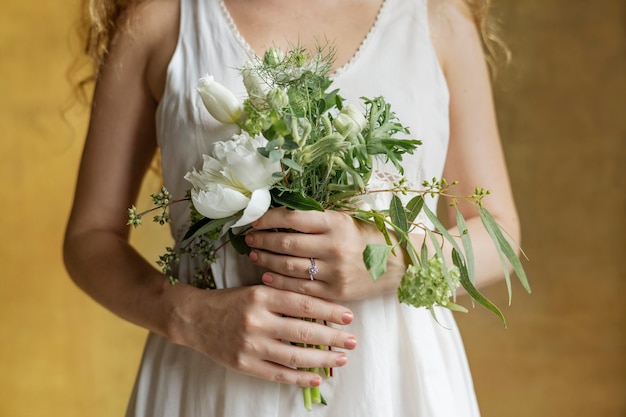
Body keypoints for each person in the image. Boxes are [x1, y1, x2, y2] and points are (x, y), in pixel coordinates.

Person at [64, 0, 520, 415]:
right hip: (211, 385)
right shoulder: (162, 19)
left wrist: (389, 261)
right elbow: (90, 237)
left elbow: (500, 235)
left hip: (393, 386)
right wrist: (188, 317)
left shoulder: (439, 19)